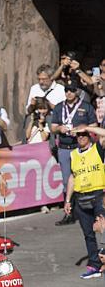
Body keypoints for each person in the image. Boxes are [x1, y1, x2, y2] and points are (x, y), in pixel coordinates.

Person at [51, 80, 98, 226]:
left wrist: (83, 127)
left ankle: (91, 211)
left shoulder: (86, 106)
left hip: (81, 147)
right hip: (65, 147)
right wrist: (60, 129)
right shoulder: (59, 107)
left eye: (71, 90)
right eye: (66, 90)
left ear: (77, 91)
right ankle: (69, 213)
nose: (69, 93)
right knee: (67, 181)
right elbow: (53, 127)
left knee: (85, 177)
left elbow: (94, 125)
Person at [63, 126, 105, 279]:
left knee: (104, 231)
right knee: (88, 234)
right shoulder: (73, 155)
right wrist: (68, 200)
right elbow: (72, 178)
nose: (80, 138)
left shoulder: (97, 149)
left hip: (99, 195)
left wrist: (86, 127)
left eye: (83, 135)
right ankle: (95, 265)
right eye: (78, 136)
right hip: (81, 198)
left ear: (89, 136)